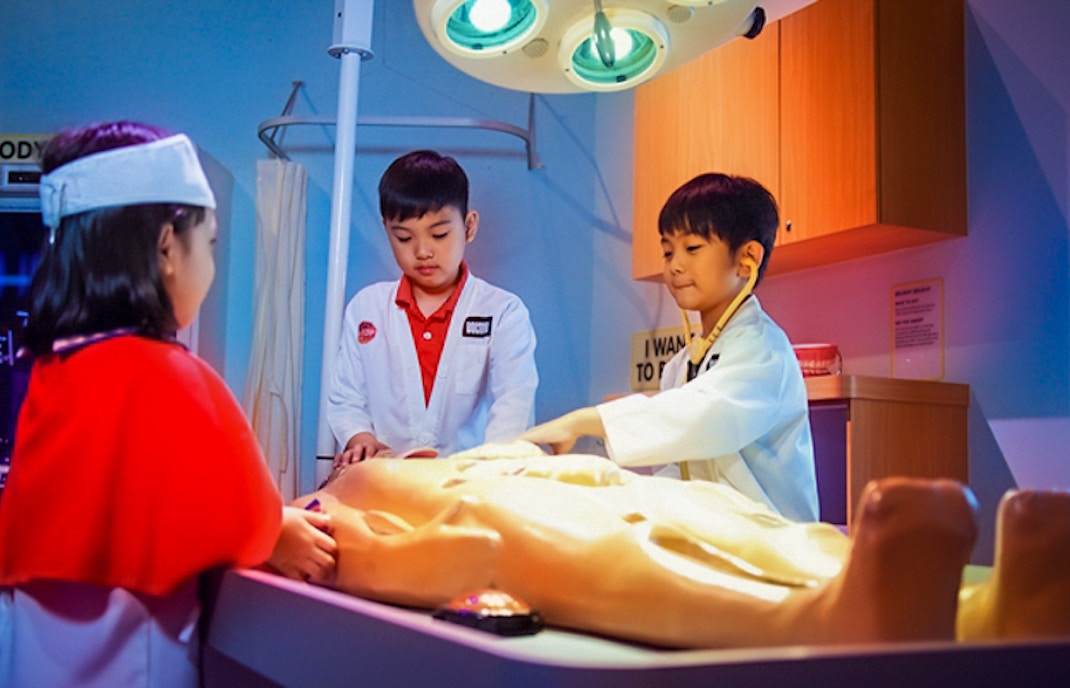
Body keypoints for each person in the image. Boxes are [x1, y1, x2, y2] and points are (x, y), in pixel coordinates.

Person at [0, 121, 337, 688]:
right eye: (209, 243)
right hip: (128, 660)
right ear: (166, 249)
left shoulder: (54, 367)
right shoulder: (169, 374)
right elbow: (247, 519)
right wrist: (282, 530)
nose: (212, 264)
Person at [304, 444, 1070, 649]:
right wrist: (422, 557)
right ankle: (822, 619)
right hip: (506, 516)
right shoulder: (334, 496)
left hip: (578, 482)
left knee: (738, 523)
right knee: (638, 552)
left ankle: (983, 606)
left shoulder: (436, 460)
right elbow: (345, 554)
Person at [520, 173, 818, 522]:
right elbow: (676, 468)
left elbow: (704, 414)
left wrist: (582, 421)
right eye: (667, 251)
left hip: (771, 538)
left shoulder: (763, 349)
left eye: (692, 248)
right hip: (714, 532)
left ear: (746, 257)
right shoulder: (681, 363)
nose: (675, 265)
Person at [326, 150, 538, 468]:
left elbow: (514, 405)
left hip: (467, 479)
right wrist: (360, 437)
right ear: (387, 231)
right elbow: (346, 397)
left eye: (439, 235)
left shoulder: (504, 312)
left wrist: (490, 470)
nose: (423, 251)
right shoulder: (366, 308)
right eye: (404, 238)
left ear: (469, 226)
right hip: (386, 476)